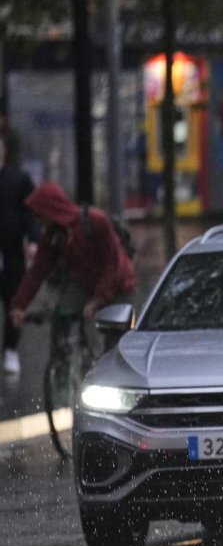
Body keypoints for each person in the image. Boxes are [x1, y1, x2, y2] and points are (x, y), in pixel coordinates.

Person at [8, 182, 136, 369]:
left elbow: (112, 264)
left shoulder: (96, 221)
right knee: (62, 315)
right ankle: (63, 365)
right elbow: (37, 271)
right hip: (85, 282)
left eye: (40, 215)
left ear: (51, 210)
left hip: (119, 284)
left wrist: (98, 300)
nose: (38, 221)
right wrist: (20, 304)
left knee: (112, 331)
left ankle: (108, 368)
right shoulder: (54, 236)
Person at [0, 136, 37, 377]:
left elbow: (29, 212)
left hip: (11, 252)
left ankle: (11, 349)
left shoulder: (17, 179)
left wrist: (33, 239)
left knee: (14, 302)